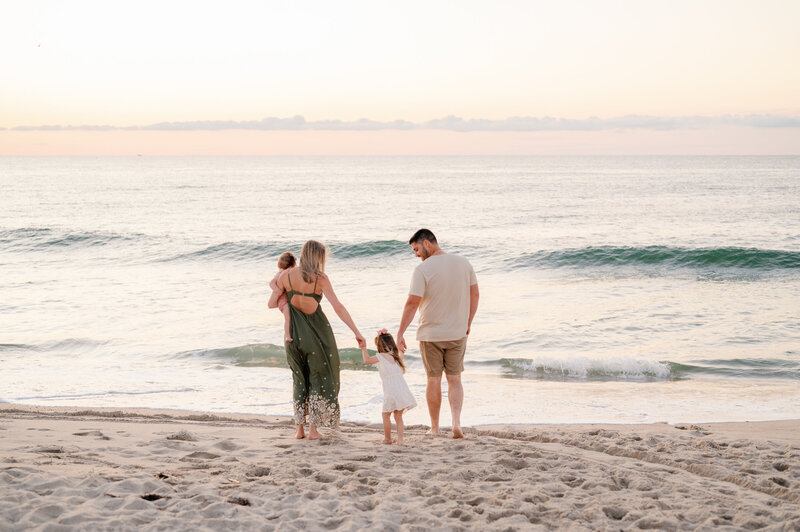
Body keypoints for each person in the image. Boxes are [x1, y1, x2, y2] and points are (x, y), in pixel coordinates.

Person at [268, 240, 366, 440]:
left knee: (299, 379)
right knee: (318, 378)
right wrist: (357, 332)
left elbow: (273, 301)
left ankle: (299, 430)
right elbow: (338, 307)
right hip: (316, 334)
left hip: (292, 335)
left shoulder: (286, 275)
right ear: (318, 257)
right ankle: (313, 430)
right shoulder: (320, 279)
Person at [397, 229, 478, 439]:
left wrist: (400, 333)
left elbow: (412, 303)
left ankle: (434, 427)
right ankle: (456, 423)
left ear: (427, 243)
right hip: (457, 333)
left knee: (433, 380)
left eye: (416, 249)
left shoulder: (422, 269)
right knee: (455, 379)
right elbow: (475, 294)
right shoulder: (464, 262)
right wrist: (468, 322)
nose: (416, 254)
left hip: (430, 334)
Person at [360, 329, 417, 445]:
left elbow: (367, 361)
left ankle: (387, 439)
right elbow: (401, 353)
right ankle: (400, 440)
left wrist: (363, 348)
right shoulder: (397, 357)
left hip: (391, 391)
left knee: (386, 414)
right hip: (402, 390)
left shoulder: (381, 356)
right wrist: (401, 345)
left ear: (379, 345)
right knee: (398, 416)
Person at [269, 251, 297, 343]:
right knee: (287, 318)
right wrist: (277, 290)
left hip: (286, 299)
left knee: (289, 317)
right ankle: (287, 336)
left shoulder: (287, 273)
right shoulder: (281, 273)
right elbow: (271, 283)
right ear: (291, 265)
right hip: (282, 301)